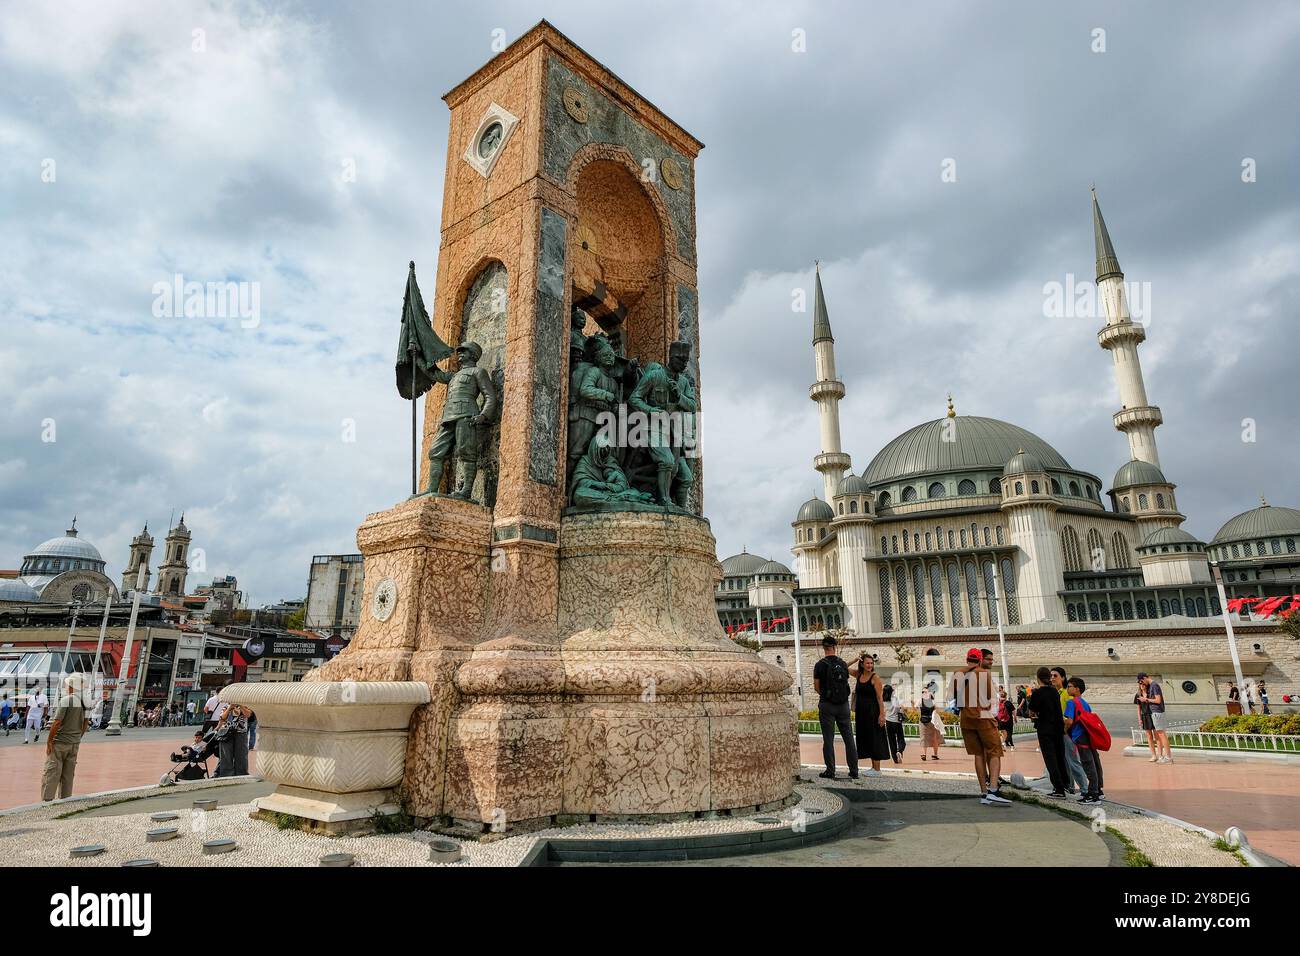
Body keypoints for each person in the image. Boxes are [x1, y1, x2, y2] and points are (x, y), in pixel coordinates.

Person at [424, 341, 499, 499]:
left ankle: (465, 492)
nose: (460, 354)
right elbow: (434, 374)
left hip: (467, 415)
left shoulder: (478, 372)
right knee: (435, 452)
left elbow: (490, 396)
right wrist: (418, 358)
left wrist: (483, 415)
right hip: (448, 417)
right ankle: (431, 488)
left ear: (473, 355)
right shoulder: (453, 376)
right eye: (459, 351)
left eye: (464, 351)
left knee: (466, 452)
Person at [950, 648, 1009, 805]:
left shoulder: (957, 673)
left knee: (978, 754)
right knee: (995, 751)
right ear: (980, 659)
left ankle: (983, 792)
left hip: (966, 719)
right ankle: (994, 789)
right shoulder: (983, 674)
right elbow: (991, 699)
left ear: (967, 658)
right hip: (982, 717)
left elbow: (954, 696)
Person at [812, 634, 858, 779]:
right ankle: (854, 770)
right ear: (835, 647)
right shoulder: (842, 663)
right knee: (849, 738)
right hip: (843, 705)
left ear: (823, 647)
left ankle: (830, 770)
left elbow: (816, 687)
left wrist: (826, 696)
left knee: (828, 739)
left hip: (827, 705)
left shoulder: (819, 665)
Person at [41, 675, 89, 801]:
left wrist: (49, 741)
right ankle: (65, 800)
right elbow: (85, 723)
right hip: (74, 743)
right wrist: (78, 737)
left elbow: (56, 722)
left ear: (72, 686)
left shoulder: (66, 700)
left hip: (60, 742)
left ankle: (47, 800)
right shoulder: (86, 702)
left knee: (52, 772)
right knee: (68, 775)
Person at [1028, 667, 1068, 797]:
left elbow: (1031, 711)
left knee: (1050, 758)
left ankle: (1058, 788)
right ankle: (1066, 784)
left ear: (1038, 678)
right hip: (1057, 728)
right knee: (1060, 756)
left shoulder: (1037, 693)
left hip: (1045, 728)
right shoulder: (1055, 692)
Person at [1064, 677, 1103, 803]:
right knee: (1092, 763)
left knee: (1087, 764)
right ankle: (1097, 791)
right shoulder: (1085, 703)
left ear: (1077, 689)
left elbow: (1069, 721)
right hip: (1088, 735)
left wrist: (1064, 729)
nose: (1067, 688)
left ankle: (1093, 794)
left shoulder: (1072, 702)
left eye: (1070, 686)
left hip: (1079, 736)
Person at [1050, 667, 1088, 794]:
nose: (1052, 678)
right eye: (1051, 676)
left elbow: (1072, 714)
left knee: (1072, 761)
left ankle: (1084, 788)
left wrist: (1066, 727)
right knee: (1065, 761)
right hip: (1059, 731)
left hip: (1067, 732)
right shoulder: (1056, 693)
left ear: (1063, 678)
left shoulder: (1067, 694)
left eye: (1055, 675)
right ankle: (1069, 786)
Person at [849, 652, 889, 775]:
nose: (870, 665)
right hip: (862, 713)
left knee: (875, 738)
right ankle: (873, 767)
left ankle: (877, 769)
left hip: (873, 712)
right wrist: (855, 659)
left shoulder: (875, 677)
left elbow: (879, 698)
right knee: (867, 738)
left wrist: (882, 715)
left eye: (871, 663)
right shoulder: (858, 675)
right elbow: (843, 666)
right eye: (867, 663)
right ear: (862, 663)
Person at [1137, 673, 1171, 764]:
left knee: (1161, 735)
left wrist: (1146, 699)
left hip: (1157, 712)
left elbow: (1158, 700)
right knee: (1161, 734)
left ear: (1144, 678)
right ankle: (1166, 757)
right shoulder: (1152, 685)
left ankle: (1168, 758)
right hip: (1156, 713)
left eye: (1141, 681)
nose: (1142, 684)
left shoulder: (1154, 685)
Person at [214, 704, 251, 777]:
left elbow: (248, 715)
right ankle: (226, 774)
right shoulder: (226, 706)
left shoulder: (245, 705)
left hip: (241, 732)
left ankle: (241, 773)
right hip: (226, 732)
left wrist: (240, 705)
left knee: (241, 754)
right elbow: (222, 717)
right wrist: (230, 708)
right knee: (226, 754)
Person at [1133, 679, 1157, 761]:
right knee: (1149, 737)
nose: (1141, 685)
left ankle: (1160, 754)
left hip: (1153, 715)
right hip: (1145, 717)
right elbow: (1138, 708)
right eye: (1140, 684)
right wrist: (1139, 719)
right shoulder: (1138, 695)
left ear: (1146, 684)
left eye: (1143, 684)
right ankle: (1154, 755)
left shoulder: (1150, 693)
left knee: (1157, 736)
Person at [882, 684, 906, 764]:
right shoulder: (895, 699)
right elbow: (901, 708)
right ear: (891, 691)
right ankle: (900, 751)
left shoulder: (883, 700)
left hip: (888, 722)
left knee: (891, 741)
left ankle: (895, 759)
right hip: (897, 722)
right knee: (900, 739)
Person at [919, 683, 943, 761]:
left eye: (925, 692)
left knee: (929, 738)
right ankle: (929, 754)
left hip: (927, 721)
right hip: (928, 721)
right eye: (923, 692)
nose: (923, 693)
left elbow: (916, 709)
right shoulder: (930, 701)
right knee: (929, 737)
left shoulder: (923, 700)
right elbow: (938, 710)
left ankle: (929, 754)